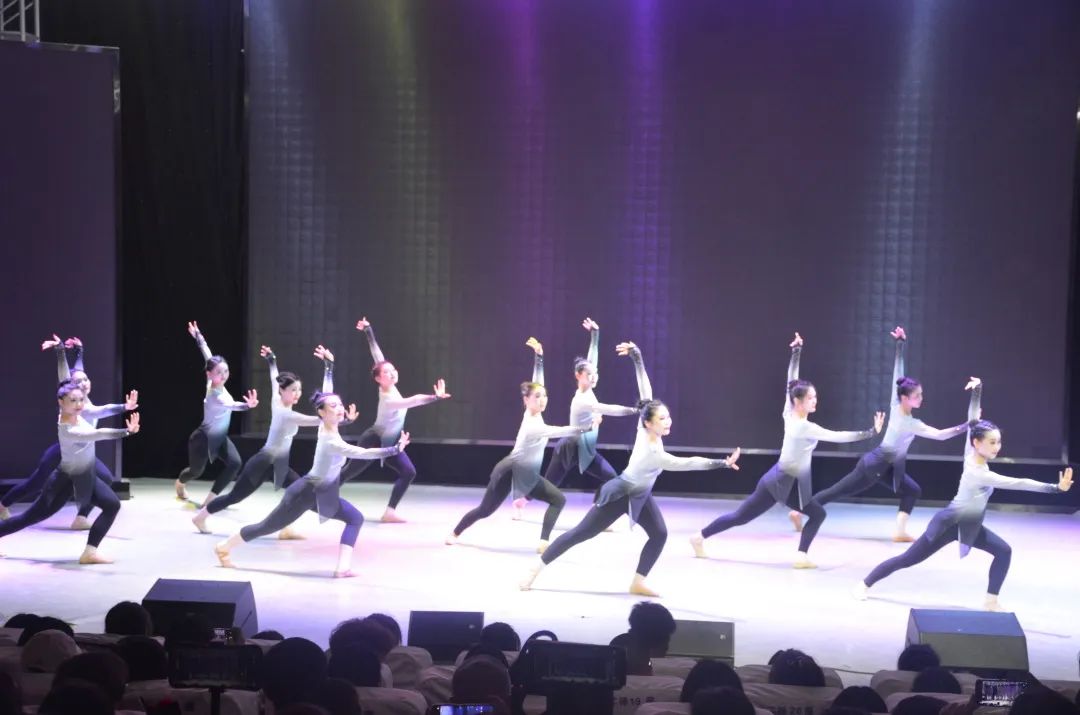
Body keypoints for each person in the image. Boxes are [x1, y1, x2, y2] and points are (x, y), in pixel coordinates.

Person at [520, 341, 740, 597]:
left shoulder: (646, 430)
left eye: (668, 416)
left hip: (640, 494)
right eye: (662, 419)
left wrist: (637, 357)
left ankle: (637, 582)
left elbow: (646, 392)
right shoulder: (654, 452)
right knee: (581, 533)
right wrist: (721, 463)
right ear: (648, 423)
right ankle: (535, 568)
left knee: (659, 534)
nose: (668, 421)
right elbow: (688, 463)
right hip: (621, 493)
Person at [854, 378, 1073, 611]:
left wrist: (977, 390)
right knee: (907, 560)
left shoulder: (972, 453)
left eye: (998, 442)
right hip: (947, 526)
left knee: (1003, 551)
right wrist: (1054, 488)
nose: (997, 447)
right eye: (992, 442)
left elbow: (973, 420)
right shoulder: (978, 473)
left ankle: (991, 601)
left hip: (969, 526)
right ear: (977, 443)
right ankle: (864, 584)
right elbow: (1019, 483)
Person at [690, 333, 881, 568]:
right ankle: (701, 537)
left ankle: (701, 537)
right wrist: (870, 432)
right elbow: (838, 435)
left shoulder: (789, 414)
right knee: (748, 517)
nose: (815, 401)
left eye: (815, 397)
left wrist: (796, 352)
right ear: (798, 401)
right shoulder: (805, 427)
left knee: (751, 516)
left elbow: (791, 381)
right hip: (779, 482)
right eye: (810, 398)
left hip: (784, 481)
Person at [797, 327, 976, 547]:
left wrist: (900, 344)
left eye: (921, 394)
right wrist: (967, 425)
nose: (921, 398)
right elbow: (940, 435)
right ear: (905, 398)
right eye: (917, 395)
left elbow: (897, 376)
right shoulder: (909, 423)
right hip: (874, 466)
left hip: (887, 467)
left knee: (912, 490)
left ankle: (899, 531)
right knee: (838, 491)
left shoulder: (896, 405)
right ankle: (800, 511)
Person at [213, 390, 408, 577]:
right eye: (333, 406)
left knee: (355, 518)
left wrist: (329, 370)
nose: (340, 408)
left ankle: (342, 568)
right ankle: (223, 547)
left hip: (321, 493)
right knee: (265, 527)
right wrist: (394, 449)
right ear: (321, 413)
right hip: (305, 493)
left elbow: (326, 397)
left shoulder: (325, 426)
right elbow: (363, 453)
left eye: (340, 404)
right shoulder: (331, 441)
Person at [447, 338, 595, 552]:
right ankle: (455, 532)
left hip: (529, 475)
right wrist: (585, 428)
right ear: (526, 400)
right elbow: (560, 431)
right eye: (537, 397)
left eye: (545, 396)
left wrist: (539, 357)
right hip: (509, 472)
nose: (543, 399)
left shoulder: (535, 413)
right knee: (485, 510)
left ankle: (543, 542)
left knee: (558, 499)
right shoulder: (533, 425)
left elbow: (537, 383)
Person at [192, 343, 351, 535]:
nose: (297, 394)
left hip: (279, 465)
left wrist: (271, 360)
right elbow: (324, 415)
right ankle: (200, 517)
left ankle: (285, 528)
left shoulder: (278, 400)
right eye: (293, 390)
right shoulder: (286, 414)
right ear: (282, 391)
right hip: (262, 463)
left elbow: (274, 377)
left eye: (299, 390)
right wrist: (329, 371)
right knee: (234, 497)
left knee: (301, 493)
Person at [0, 335, 136, 530]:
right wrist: (124, 408)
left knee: (104, 477)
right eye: (79, 382)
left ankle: (81, 517)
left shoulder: (82, 398)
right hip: (63, 452)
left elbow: (78, 371)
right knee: (36, 484)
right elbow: (98, 408)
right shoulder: (76, 404)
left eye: (86, 379)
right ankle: (3, 504)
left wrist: (80, 351)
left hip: (81, 452)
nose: (84, 382)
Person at [0, 380, 139, 564]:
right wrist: (126, 432)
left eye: (81, 400)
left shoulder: (76, 413)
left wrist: (125, 407)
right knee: (30, 517)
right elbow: (98, 434)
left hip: (84, 476)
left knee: (112, 505)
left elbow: (100, 410)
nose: (79, 404)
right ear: (61, 402)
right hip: (63, 481)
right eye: (73, 400)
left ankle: (90, 553)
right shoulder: (68, 429)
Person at [513, 317, 637, 519]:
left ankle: (598, 512)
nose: (594, 376)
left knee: (611, 478)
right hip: (569, 450)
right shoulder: (582, 400)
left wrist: (595, 335)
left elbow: (592, 360)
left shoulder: (589, 386)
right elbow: (608, 409)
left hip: (586, 450)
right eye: (589, 374)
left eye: (595, 373)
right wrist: (634, 410)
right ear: (578, 376)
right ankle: (522, 501)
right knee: (549, 484)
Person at [345, 316, 451, 523]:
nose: (392, 373)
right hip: (374, 440)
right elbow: (414, 400)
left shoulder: (389, 386)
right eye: (387, 372)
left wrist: (368, 330)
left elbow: (377, 354)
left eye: (393, 370)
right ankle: (321, 497)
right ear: (378, 379)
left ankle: (390, 512)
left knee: (408, 472)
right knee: (349, 473)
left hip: (391, 442)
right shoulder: (389, 399)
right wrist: (435, 397)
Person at [175, 321, 258, 507]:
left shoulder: (217, 384)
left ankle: (209, 501)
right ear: (209, 375)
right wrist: (247, 405)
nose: (224, 375)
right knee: (196, 472)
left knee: (235, 463)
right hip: (202, 439)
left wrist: (199, 336)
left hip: (219, 438)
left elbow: (207, 354)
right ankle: (180, 483)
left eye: (226, 371)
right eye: (219, 372)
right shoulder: (215, 396)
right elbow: (233, 405)